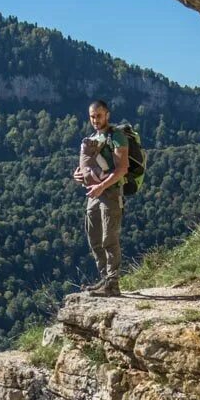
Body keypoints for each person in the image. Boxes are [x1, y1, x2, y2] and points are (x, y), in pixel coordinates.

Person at [75, 100, 128, 296]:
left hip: (111, 193)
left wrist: (101, 186)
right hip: (94, 194)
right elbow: (86, 168)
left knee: (109, 238)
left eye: (99, 115)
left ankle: (113, 284)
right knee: (94, 238)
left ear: (107, 115)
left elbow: (122, 168)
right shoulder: (91, 139)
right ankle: (104, 279)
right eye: (92, 116)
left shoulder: (117, 136)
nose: (95, 120)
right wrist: (78, 176)